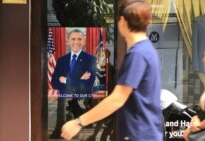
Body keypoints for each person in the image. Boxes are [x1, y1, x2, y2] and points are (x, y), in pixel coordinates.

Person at [61, 0, 163, 141]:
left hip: (139, 135)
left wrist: (79, 122)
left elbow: (117, 98)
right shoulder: (148, 51)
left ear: (122, 21)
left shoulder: (138, 54)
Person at [50, 29, 96, 138]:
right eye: (73, 39)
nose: (76, 42)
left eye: (79, 39)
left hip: (81, 100)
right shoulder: (61, 60)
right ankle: (59, 132)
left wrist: (65, 80)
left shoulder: (91, 59)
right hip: (63, 100)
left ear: (84, 41)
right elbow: (54, 82)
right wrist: (79, 79)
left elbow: (88, 84)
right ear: (68, 41)